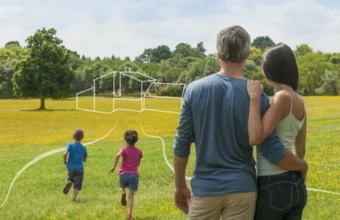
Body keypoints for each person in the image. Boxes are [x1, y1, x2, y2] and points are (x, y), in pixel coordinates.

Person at [173, 25, 309, 220]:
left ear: (218, 54)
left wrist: (179, 185)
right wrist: (301, 165)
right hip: (243, 189)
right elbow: (271, 148)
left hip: (205, 188)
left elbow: (182, 142)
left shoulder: (193, 90)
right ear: (247, 54)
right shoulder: (257, 95)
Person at [247, 43, 307, 220]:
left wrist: (254, 98)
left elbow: (257, 136)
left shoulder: (282, 97)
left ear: (269, 71)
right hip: (296, 185)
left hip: (273, 183)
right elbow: (301, 151)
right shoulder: (300, 100)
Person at [108, 130, 143, 220]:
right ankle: (129, 215)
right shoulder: (139, 152)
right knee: (131, 196)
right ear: (136, 140)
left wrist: (114, 167)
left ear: (125, 139)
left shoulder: (123, 149)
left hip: (123, 174)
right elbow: (138, 164)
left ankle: (123, 192)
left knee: (121, 187)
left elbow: (117, 155)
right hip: (134, 175)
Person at [63, 128, 88, 202]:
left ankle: (69, 182)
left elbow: (65, 153)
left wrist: (65, 161)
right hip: (80, 168)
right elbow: (85, 159)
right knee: (77, 184)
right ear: (82, 137)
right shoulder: (83, 148)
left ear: (73, 136)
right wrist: (83, 159)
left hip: (71, 167)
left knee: (70, 179)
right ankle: (74, 198)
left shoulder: (70, 145)